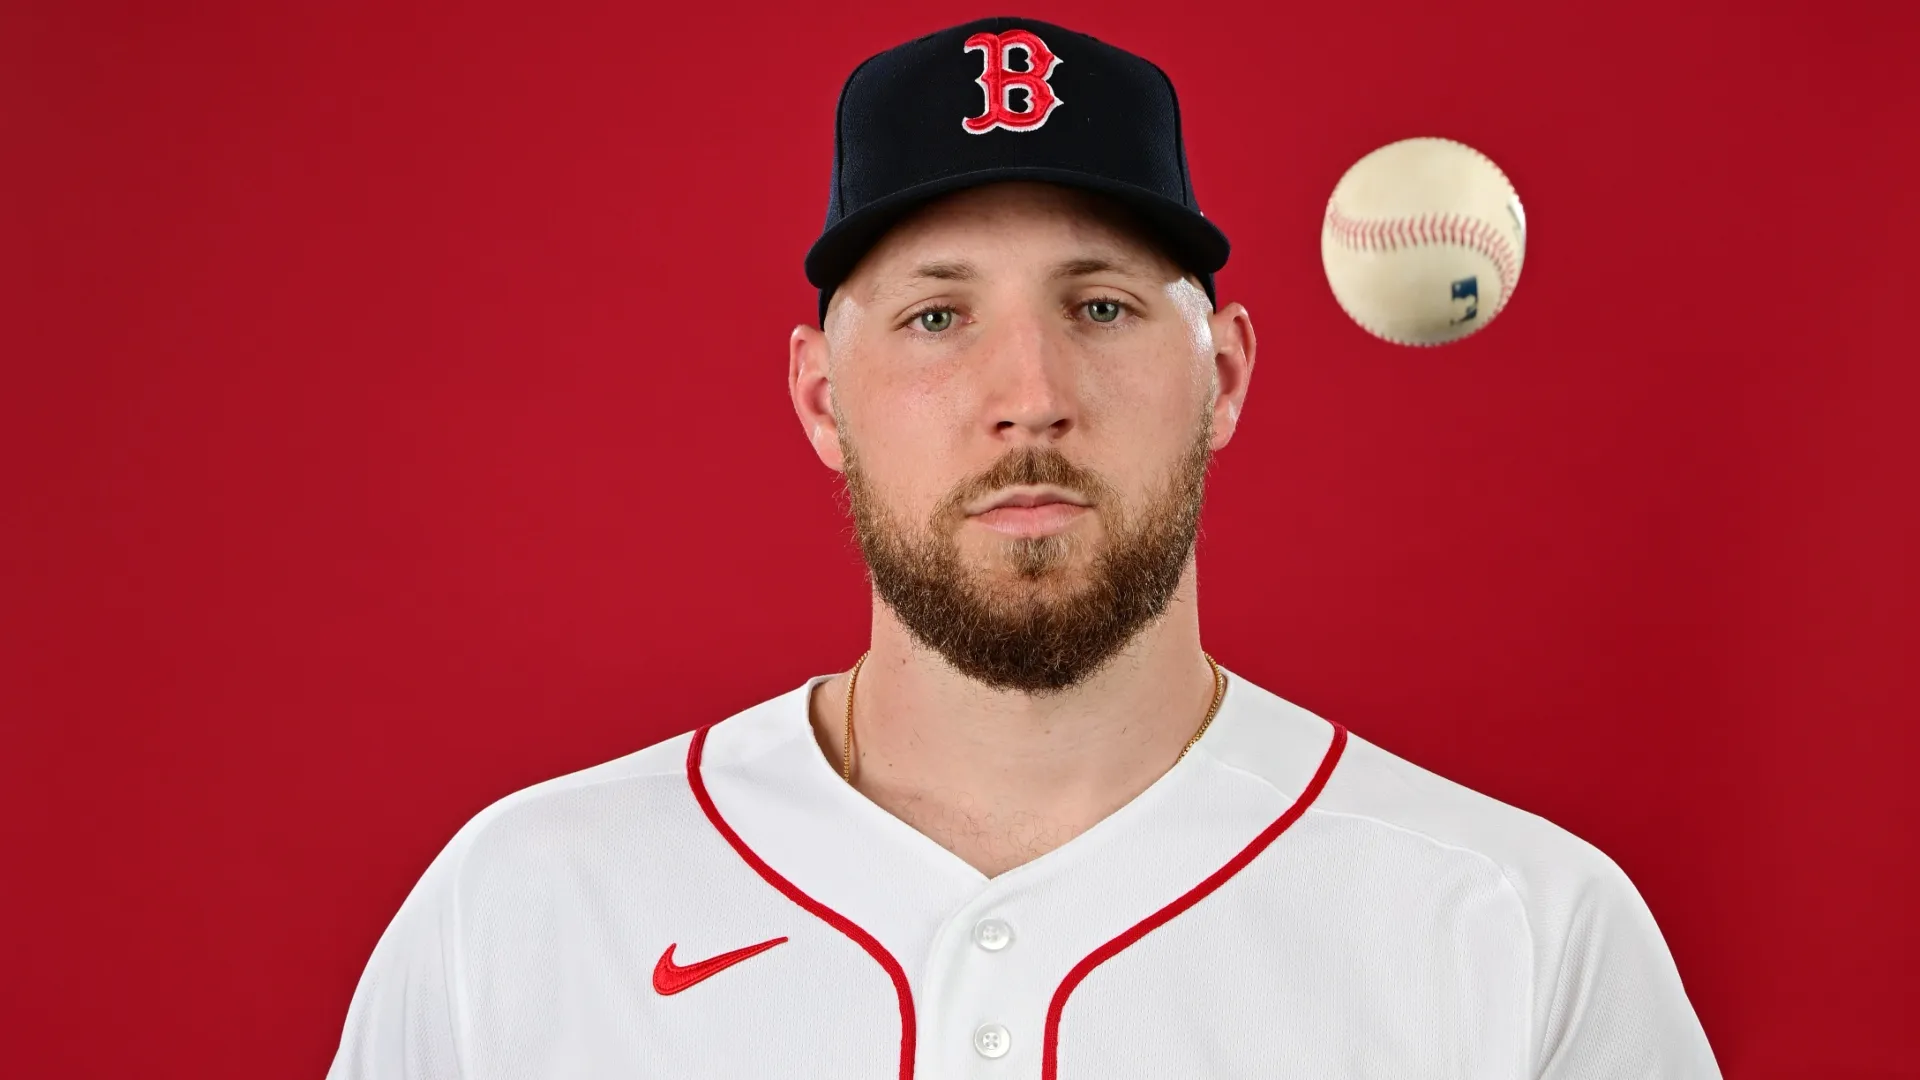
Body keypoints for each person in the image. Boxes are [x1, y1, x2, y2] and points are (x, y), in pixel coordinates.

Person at [327, 16, 1721, 1078]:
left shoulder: (1513, 926)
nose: (1030, 392)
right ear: (822, 395)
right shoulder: (522, 908)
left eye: (1103, 305)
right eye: (938, 317)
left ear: (1225, 374)